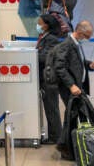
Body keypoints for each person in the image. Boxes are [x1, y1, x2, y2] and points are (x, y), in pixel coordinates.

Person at [55, 20, 94, 158]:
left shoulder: (76, 44)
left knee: (76, 116)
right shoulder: (66, 45)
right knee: (72, 116)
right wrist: (71, 85)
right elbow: (60, 67)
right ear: (79, 32)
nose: (88, 39)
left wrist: (88, 64)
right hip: (70, 88)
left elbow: (77, 61)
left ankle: (72, 147)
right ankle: (66, 148)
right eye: (87, 36)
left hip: (78, 87)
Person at [35, 14, 62, 145]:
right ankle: (54, 135)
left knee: (52, 108)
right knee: (49, 107)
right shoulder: (43, 37)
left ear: (46, 25)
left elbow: (47, 57)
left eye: (39, 23)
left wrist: (31, 55)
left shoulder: (51, 39)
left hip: (49, 79)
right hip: (44, 78)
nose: (38, 25)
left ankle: (56, 137)